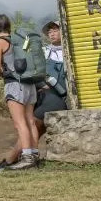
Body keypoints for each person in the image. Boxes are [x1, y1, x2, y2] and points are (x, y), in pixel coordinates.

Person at [0, 15, 40, 170]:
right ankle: (34, 154)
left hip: (14, 84)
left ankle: (27, 157)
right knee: (30, 121)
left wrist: (4, 75)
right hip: (30, 84)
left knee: (20, 123)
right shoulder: (19, 40)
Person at [29, 20, 67, 158]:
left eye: (55, 30)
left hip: (65, 96)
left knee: (35, 124)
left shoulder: (71, 52)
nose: (51, 34)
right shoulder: (44, 52)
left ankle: (27, 155)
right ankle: (28, 154)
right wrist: (40, 85)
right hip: (47, 94)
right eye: (49, 32)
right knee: (33, 123)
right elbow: (34, 73)